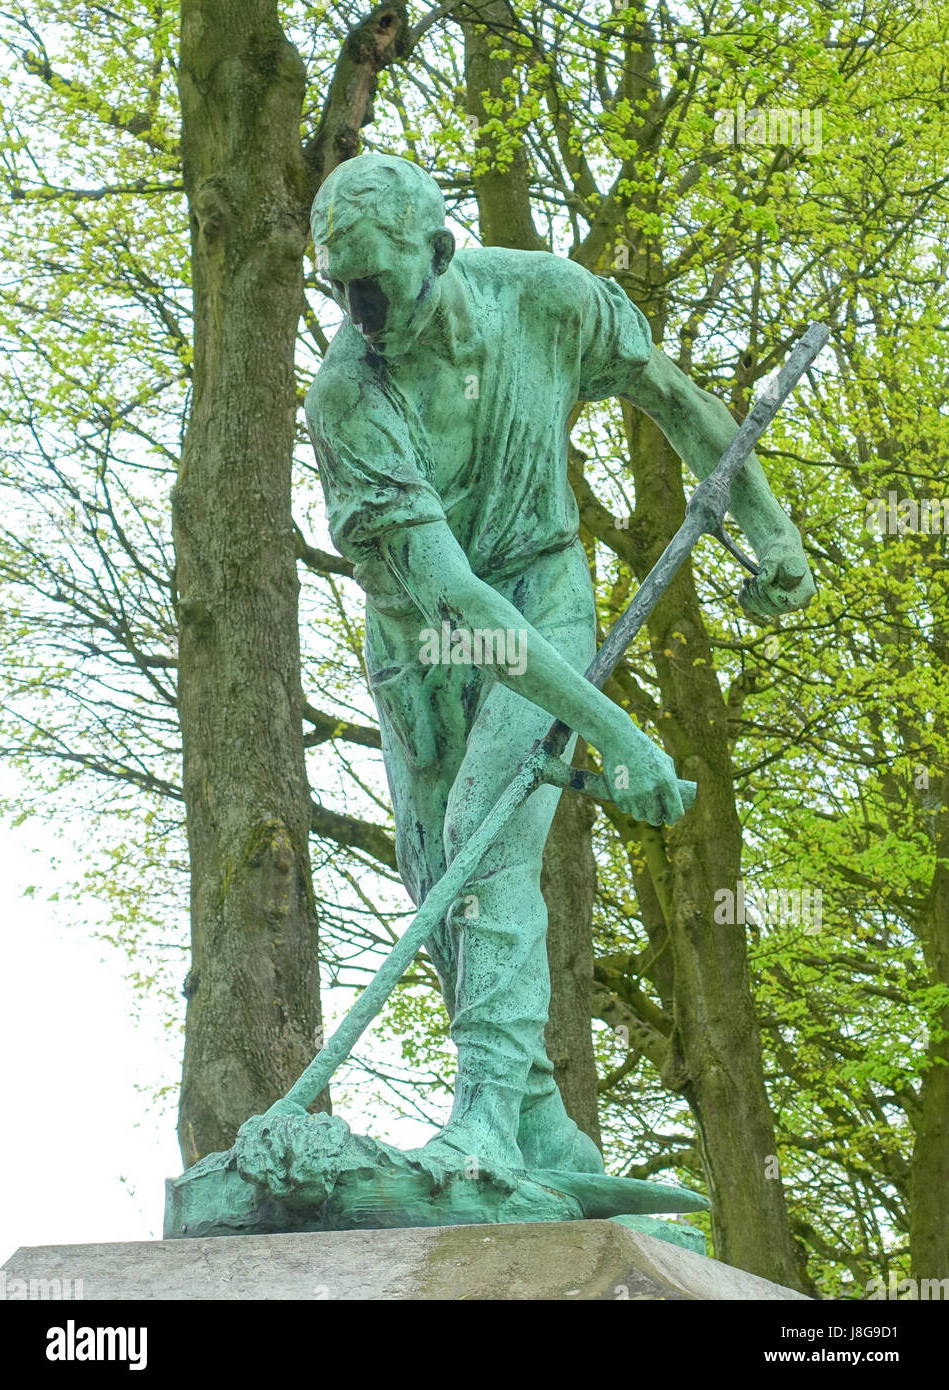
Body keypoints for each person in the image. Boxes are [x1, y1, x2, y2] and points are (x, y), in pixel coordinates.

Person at [305, 152, 814, 1175]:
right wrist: (617, 733)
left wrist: (771, 529)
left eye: (374, 285)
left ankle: (485, 1116)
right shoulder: (345, 399)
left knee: (480, 837)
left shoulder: (547, 299)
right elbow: (451, 599)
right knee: (437, 877)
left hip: (540, 585)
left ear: (437, 251)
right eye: (339, 289)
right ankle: (539, 1119)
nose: (359, 313)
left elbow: (669, 394)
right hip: (423, 633)